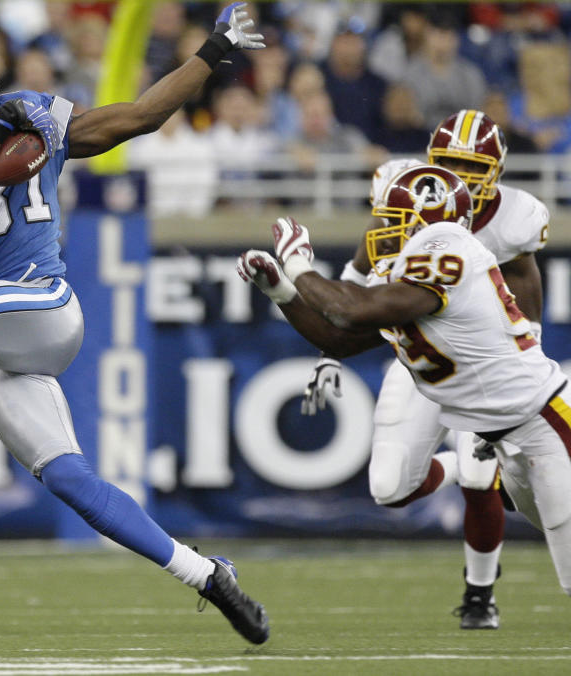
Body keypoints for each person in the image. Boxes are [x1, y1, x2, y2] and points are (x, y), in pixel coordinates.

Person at [0, 4, 270, 646]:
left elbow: (140, 117)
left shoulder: (31, 111)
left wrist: (211, 51)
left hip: (43, 303)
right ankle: (208, 575)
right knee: (72, 481)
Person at [237, 165, 571, 604]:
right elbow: (337, 337)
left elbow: (349, 312)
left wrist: (298, 263)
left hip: (545, 424)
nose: (380, 229)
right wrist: (280, 289)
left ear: (427, 223)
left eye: (392, 219)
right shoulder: (401, 271)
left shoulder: (449, 252)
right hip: (504, 434)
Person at [298, 109, 550, 629]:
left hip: (481, 367)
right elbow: (359, 274)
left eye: (472, 165)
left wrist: (526, 362)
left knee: (484, 473)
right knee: (390, 488)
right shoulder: (407, 191)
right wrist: (331, 352)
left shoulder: (514, 217)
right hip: (422, 363)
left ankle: (480, 596)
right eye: (449, 163)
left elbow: (526, 289)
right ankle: (459, 467)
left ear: (497, 171)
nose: (460, 176)